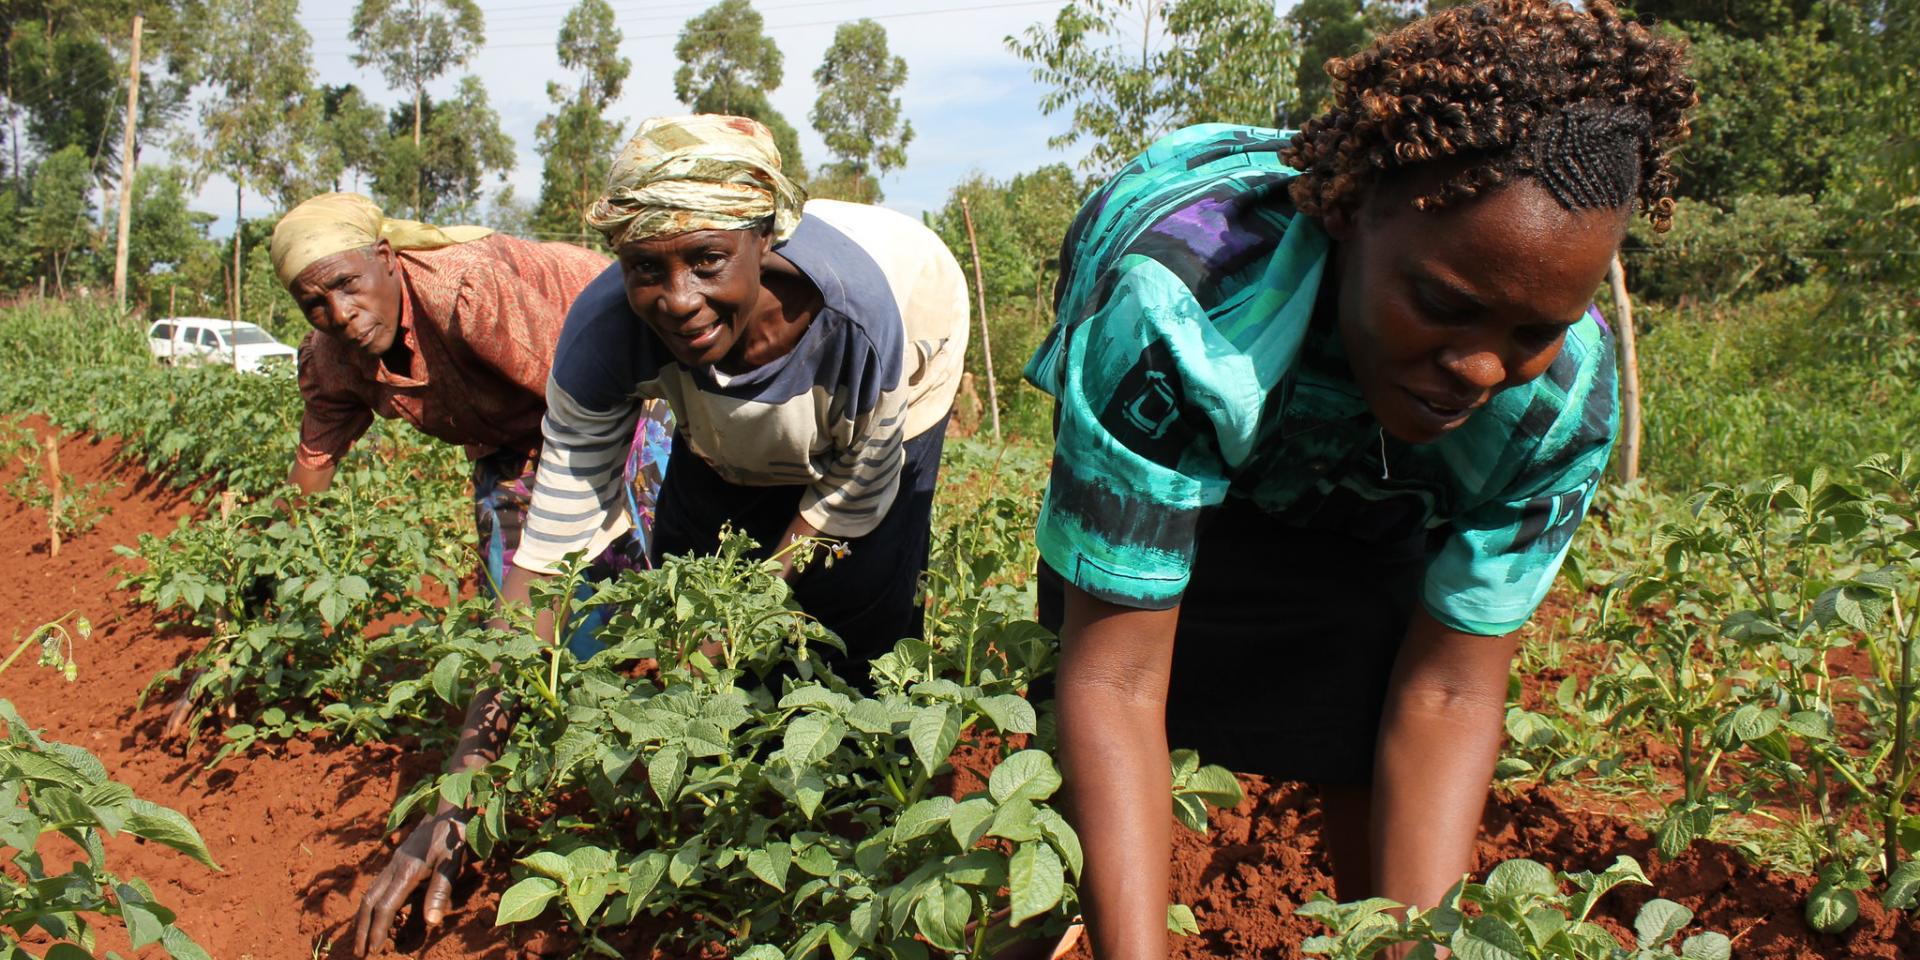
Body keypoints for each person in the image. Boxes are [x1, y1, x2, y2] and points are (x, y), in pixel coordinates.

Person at [1026, 1, 1695, 956]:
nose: (1479, 369)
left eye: (1533, 332)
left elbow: (1449, 695)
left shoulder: (1561, 406)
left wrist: (1413, 942)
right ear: (1345, 213)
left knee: (1359, 682)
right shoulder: (1179, 310)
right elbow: (1120, 679)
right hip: (1203, 398)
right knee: (1098, 729)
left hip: (1381, 476)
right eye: (1442, 305)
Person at [352, 115, 970, 955]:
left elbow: (845, 501)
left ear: (766, 238)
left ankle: (863, 834)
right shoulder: (607, 334)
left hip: (907, 353)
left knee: (854, 617)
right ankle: (726, 814)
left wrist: (732, 632)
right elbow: (546, 561)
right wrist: (458, 797)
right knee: (685, 590)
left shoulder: (865, 319)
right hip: (721, 425)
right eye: (647, 267)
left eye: (707, 261)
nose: (677, 299)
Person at [270, 192, 674, 602]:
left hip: (613, 384)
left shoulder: (464, 291)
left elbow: (583, 399)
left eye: (347, 285)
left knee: (646, 550)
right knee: (511, 596)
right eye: (315, 305)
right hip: (509, 430)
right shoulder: (330, 359)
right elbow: (313, 462)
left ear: (386, 257)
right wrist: (268, 563)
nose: (340, 314)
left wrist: (577, 513)